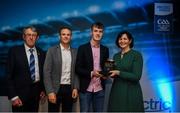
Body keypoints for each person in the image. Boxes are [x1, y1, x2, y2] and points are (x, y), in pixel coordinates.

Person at [6, 26, 46, 112]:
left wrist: (43, 89)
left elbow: (42, 73)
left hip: (36, 95)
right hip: (19, 96)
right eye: (28, 35)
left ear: (37, 37)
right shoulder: (14, 52)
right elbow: (8, 76)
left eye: (34, 35)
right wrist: (13, 96)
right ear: (24, 37)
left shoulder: (42, 52)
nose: (31, 37)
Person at [75, 22, 109, 112]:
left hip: (100, 88)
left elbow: (106, 67)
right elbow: (77, 68)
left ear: (103, 33)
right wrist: (91, 73)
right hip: (86, 88)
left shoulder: (105, 49)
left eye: (100, 31)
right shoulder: (82, 48)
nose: (98, 33)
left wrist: (106, 74)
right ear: (91, 32)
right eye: (95, 31)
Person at [43, 26, 79, 112]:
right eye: (63, 34)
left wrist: (76, 87)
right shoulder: (51, 51)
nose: (66, 36)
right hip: (55, 89)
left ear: (71, 37)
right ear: (59, 36)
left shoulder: (75, 52)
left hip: (69, 89)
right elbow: (46, 72)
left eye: (68, 34)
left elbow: (77, 72)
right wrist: (50, 91)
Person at [108, 31, 144, 112]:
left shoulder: (136, 55)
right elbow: (113, 74)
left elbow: (136, 76)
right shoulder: (115, 56)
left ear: (130, 41)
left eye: (125, 39)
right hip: (116, 91)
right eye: (120, 39)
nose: (122, 41)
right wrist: (108, 72)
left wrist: (119, 72)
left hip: (131, 92)